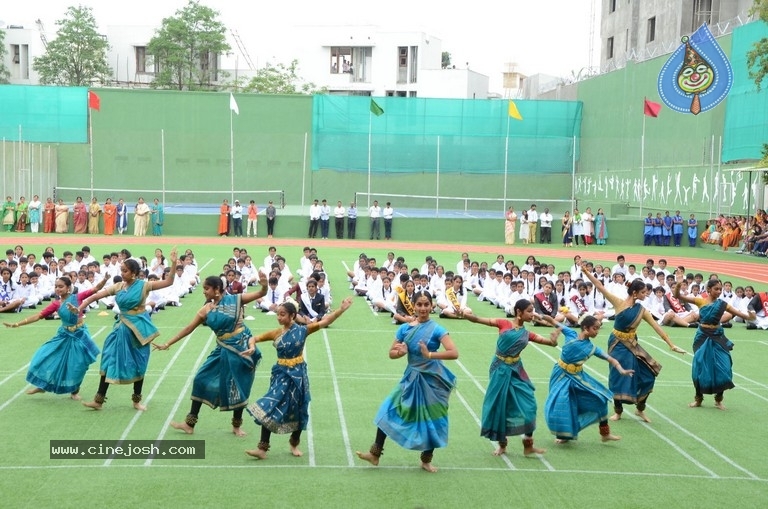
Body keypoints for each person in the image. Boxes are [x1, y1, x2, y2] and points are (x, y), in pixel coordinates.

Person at [154, 272, 268, 436]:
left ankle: (236, 426)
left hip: (242, 348)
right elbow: (188, 328)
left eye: (206, 288)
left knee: (239, 385)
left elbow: (261, 293)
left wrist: (264, 284)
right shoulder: (205, 310)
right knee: (200, 379)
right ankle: (190, 424)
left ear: (217, 289)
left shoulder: (235, 299)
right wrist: (167, 343)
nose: (204, 292)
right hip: (222, 348)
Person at [356, 291, 458, 473]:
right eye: (419, 304)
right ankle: (375, 454)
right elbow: (391, 353)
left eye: (427, 304)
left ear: (432, 305)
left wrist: (430, 354)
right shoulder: (404, 329)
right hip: (411, 379)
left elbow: (453, 352)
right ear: (414, 305)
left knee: (432, 419)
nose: (423, 308)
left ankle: (426, 460)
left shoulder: (437, 329)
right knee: (387, 410)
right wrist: (401, 353)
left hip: (433, 380)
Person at [245, 297, 353, 459]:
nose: (279, 317)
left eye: (283, 315)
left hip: (298, 375)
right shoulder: (276, 333)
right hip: (281, 375)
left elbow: (325, 321)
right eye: (278, 314)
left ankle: (294, 443)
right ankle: (262, 448)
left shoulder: (303, 330)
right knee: (270, 405)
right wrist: (252, 346)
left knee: (299, 406)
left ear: (292, 316)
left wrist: (341, 309)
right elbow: (253, 338)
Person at [76, 248, 179, 411]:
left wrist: (173, 264)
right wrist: (80, 307)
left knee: (139, 361)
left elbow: (168, 282)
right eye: (121, 270)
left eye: (125, 271)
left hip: (138, 329)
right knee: (108, 358)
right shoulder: (118, 286)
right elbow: (96, 296)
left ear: (134, 273)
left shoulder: (144, 286)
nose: (122, 273)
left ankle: (137, 400)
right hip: (120, 328)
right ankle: (99, 400)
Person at [582, 264, 686, 423]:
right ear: (635, 293)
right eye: (644, 292)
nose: (646, 294)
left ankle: (640, 409)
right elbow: (599, 285)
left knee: (649, 373)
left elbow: (656, 327)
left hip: (632, 344)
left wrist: (670, 344)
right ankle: (618, 411)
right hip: (617, 343)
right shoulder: (619, 303)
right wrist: (586, 272)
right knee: (617, 375)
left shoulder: (642, 310)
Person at [462, 301, 559, 456]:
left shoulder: (527, 334)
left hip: (516, 370)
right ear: (519, 312)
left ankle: (528, 445)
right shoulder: (504, 324)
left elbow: (549, 343)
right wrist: (465, 315)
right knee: (500, 405)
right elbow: (479, 319)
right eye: (529, 311)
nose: (532, 314)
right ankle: (502, 444)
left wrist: (553, 341)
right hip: (499, 369)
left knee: (530, 406)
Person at [4, 275, 107, 398]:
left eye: (61, 286)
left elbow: (95, 289)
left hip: (80, 335)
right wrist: (17, 324)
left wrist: (105, 279)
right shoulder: (56, 304)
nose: (58, 289)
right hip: (64, 335)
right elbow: (39, 315)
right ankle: (42, 385)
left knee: (79, 364)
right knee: (44, 356)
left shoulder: (77, 297)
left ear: (68, 287)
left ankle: (74, 391)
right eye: (56, 286)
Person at [544, 315, 632, 443]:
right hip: (561, 375)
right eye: (595, 328)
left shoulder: (592, 348)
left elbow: (610, 359)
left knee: (601, 398)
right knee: (562, 403)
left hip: (578, 377)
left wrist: (621, 370)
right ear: (586, 328)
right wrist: (537, 315)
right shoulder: (570, 333)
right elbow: (552, 320)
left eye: (598, 329)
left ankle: (604, 434)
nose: (597, 332)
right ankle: (564, 436)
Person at [673, 280, 755, 409]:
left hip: (717, 335)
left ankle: (719, 399)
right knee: (699, 368)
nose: (719, 291)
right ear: (709, 289)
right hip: (702, 336)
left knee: (725, 367)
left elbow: (743, 315)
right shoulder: (701, 301)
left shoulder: (723, 304)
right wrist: (678, 285)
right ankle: (698, 398)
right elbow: (678, 296)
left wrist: (750, 316)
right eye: (716, 289)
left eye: (720, 289)